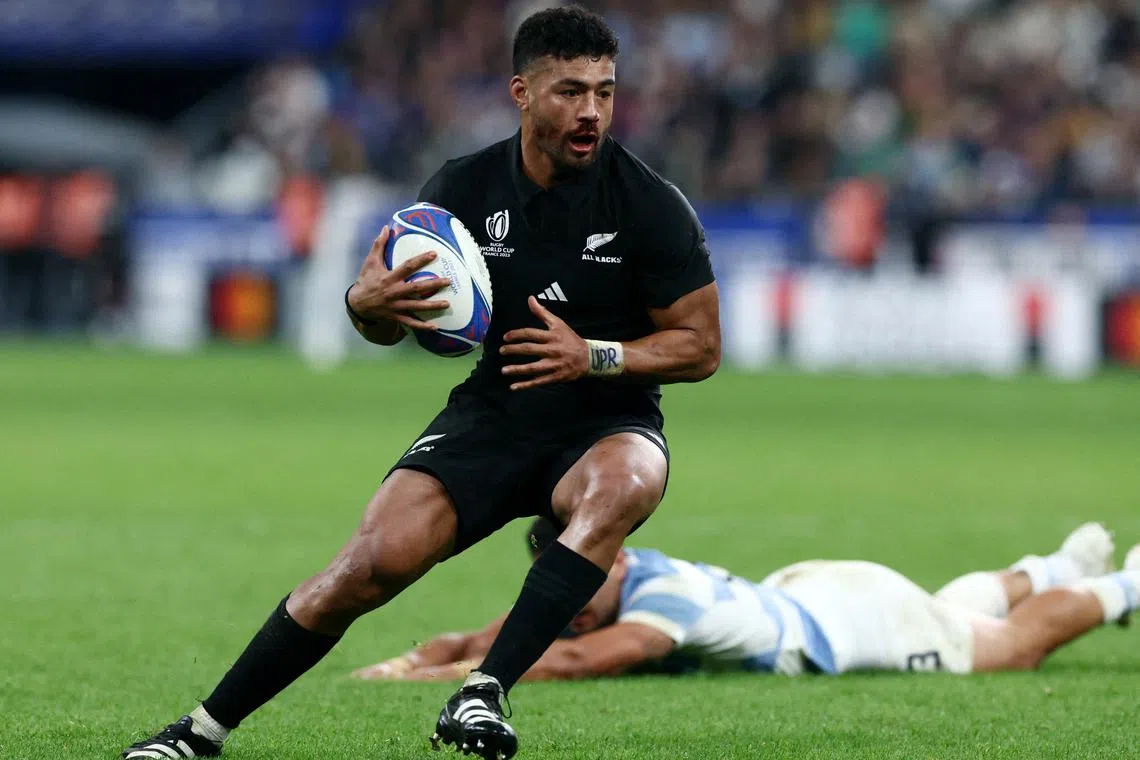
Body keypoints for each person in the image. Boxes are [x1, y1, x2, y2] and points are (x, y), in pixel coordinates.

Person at [122, 6, 719, 760]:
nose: (592, 112)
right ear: (522, 92)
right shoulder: (463, 189)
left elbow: (701, 347)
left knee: (627, 483)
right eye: (570, 91)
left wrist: (595, 356)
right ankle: (198, 733)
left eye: (604, 91)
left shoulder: (650, 204)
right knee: (364, 568)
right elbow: (400, 327)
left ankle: (482, 693)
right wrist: (364, 305)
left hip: (608, 419)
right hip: (496, 412)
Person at [351, 519, 1139, 682]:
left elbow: (579, 659)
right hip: (810, 591)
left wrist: (449, 683)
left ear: (616, 556)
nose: (570, 601)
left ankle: (1125, 585)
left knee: (1008, 652)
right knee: (949, 615)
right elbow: (488, 636)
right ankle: (1049, 568)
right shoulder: (606, 580)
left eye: (581, 580)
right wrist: (406, 662)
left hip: (851, 622)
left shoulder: (660, 600)